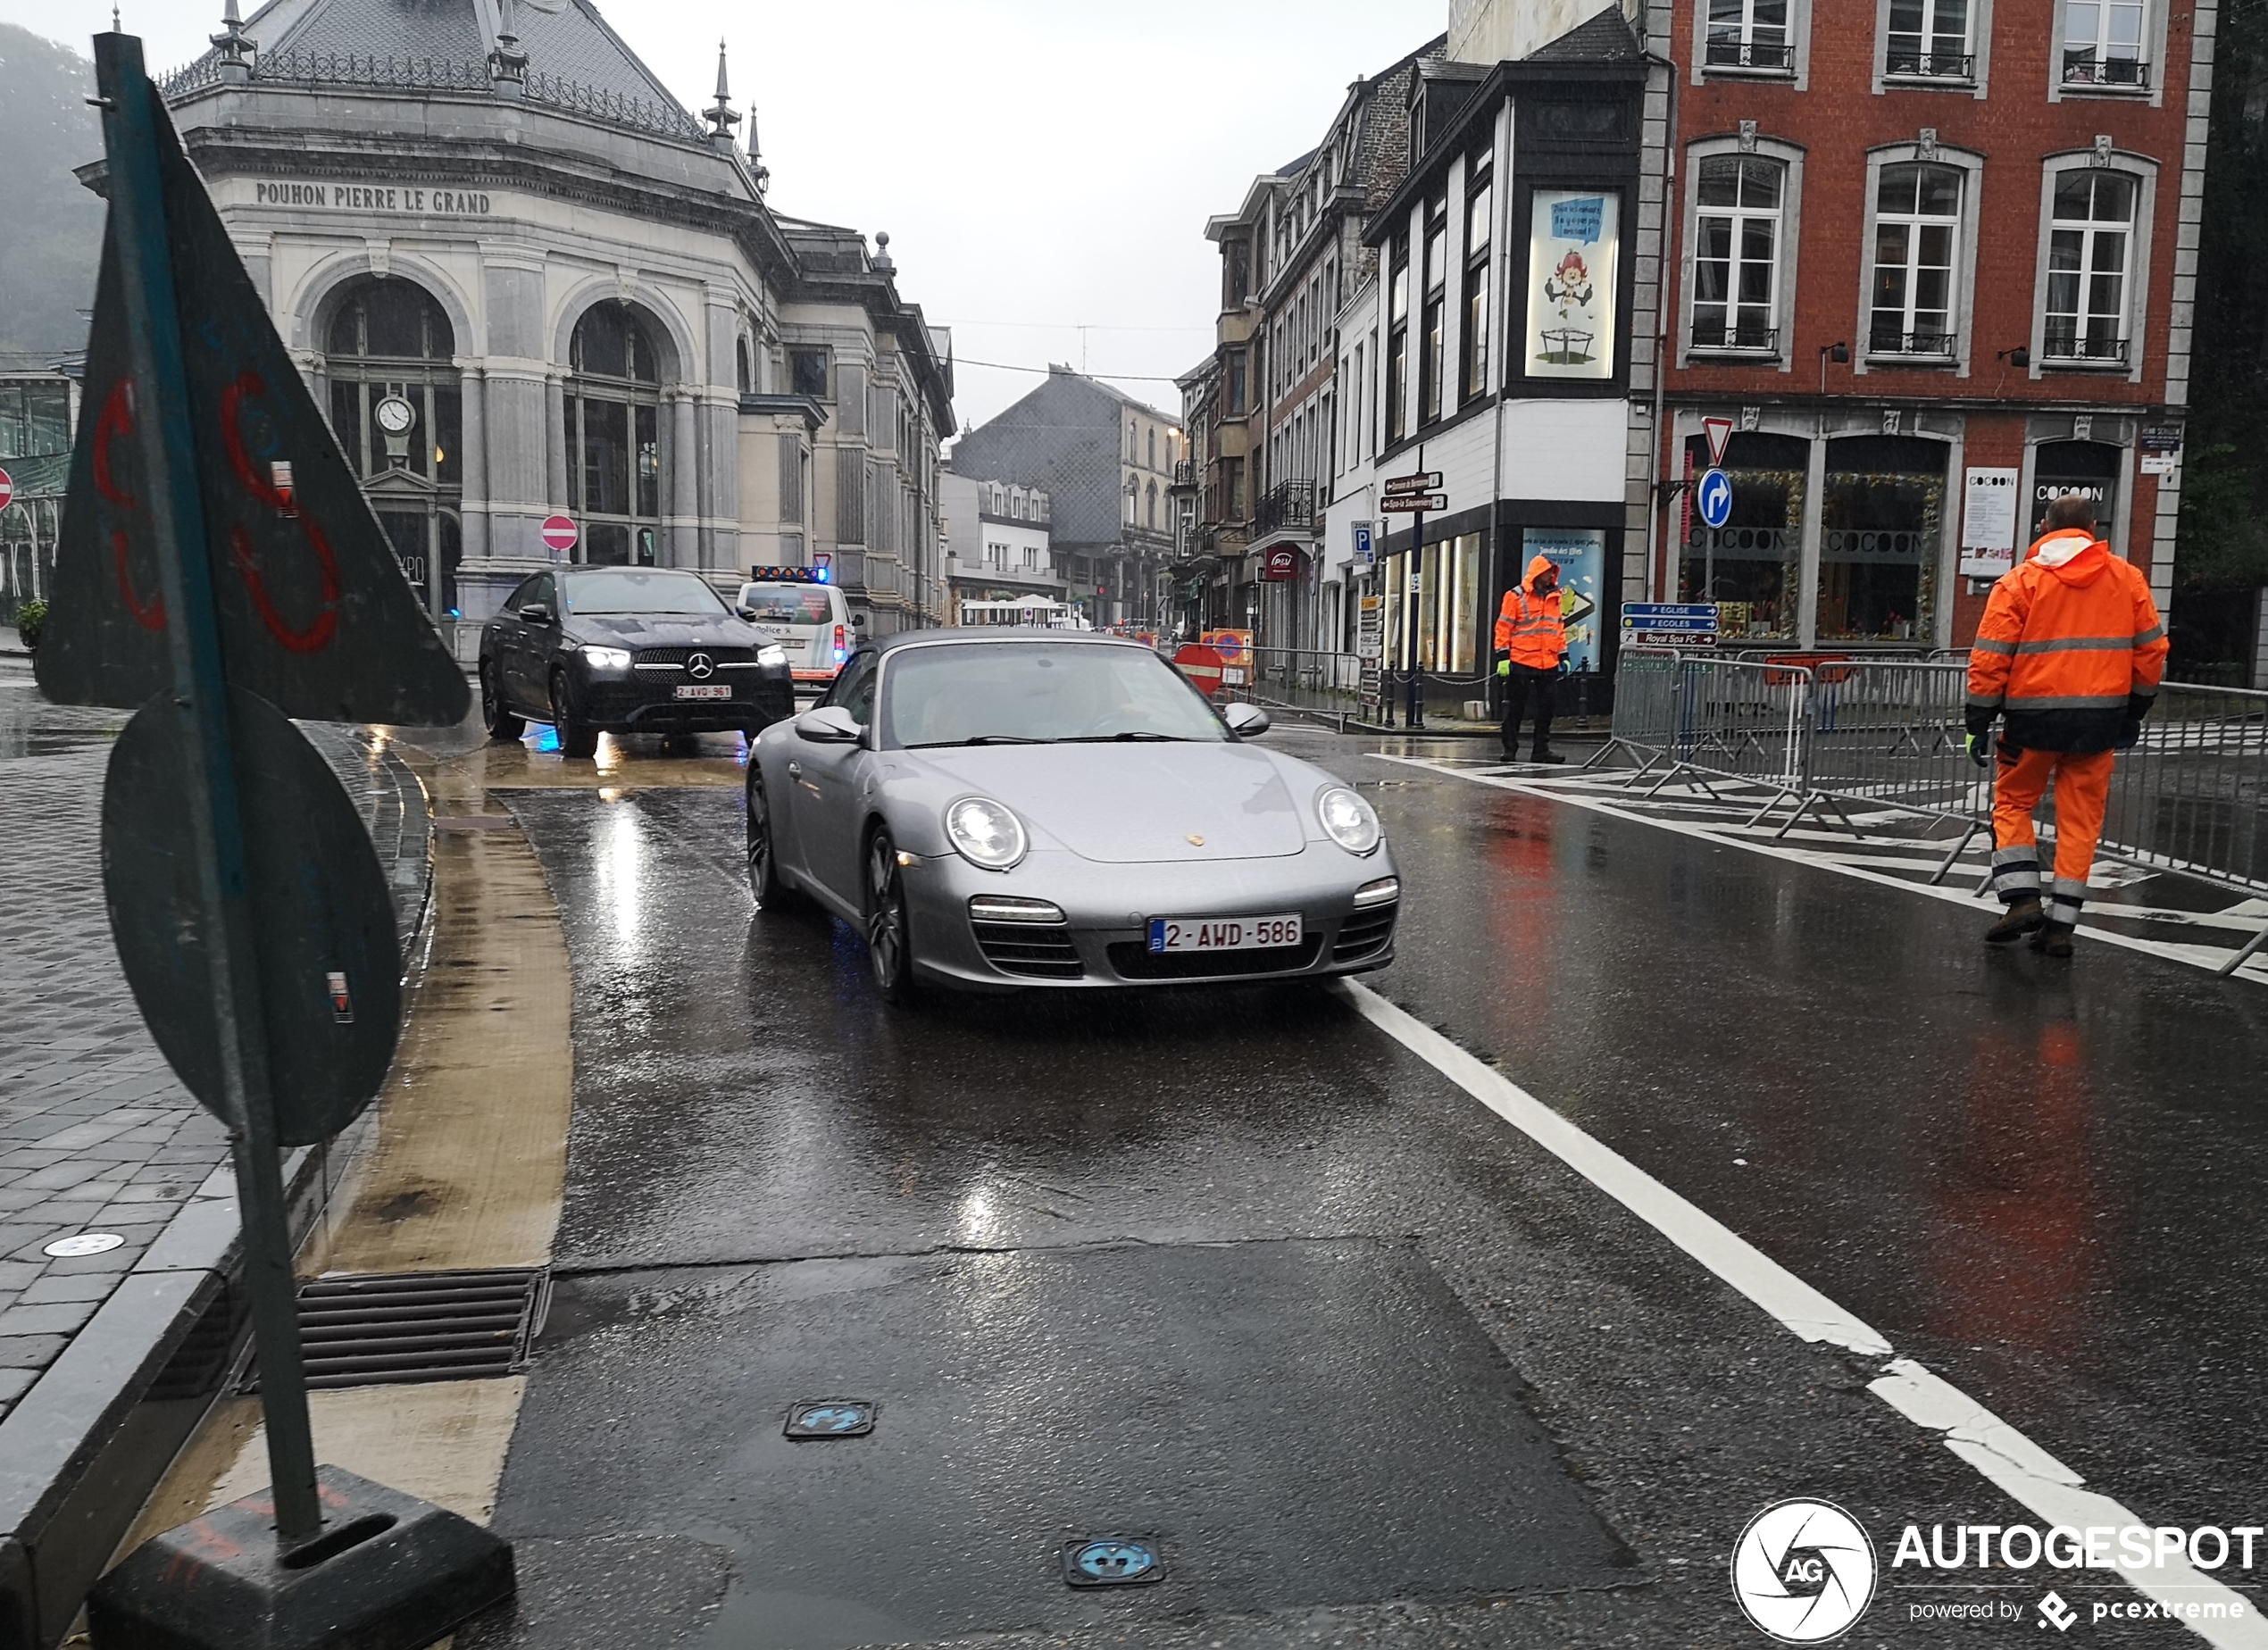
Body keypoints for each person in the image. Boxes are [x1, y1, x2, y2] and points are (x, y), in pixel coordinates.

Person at [1964, 495, 2167, 958]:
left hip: (2033, 721)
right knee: (2082, 821)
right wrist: (2135, 709)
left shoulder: (2021, 582)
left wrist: (1978, 718)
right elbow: (2152, 650)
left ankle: (2021, 899)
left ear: (2044, 526)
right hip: (2099, 722)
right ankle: (2060, 928)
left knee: (2014, 803)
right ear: (2093, 528)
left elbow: (1990, 656)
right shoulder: (2127, 579)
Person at [1495, 554, 1567, 763]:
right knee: (1517, 708)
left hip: (1548, 661)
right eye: (1548, 572)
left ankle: (1541, 750)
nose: (1551, 575)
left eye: (1553, 572)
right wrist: (1503, 656)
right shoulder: (1515, 596)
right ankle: (1510, 748)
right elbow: (1503, 627)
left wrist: (1563, 654)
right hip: (1522, 660)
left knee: (1547, 708)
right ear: (1538, 572)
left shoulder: (1555, 596)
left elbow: (1557, 627)